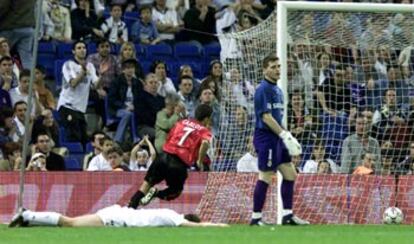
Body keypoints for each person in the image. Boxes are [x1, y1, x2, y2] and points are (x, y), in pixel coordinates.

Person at [250, 54, 308, 226]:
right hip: (266, 137)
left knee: (290, 174)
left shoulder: (278, 91)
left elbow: (277, 116)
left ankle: (287, 216)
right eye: (273, 67)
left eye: (278, 66)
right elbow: (266, 118)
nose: (277, 70)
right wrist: (284, 135)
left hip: (278, 137)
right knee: (266, 176)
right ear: (264, 69)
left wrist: (286, 134)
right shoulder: (262, 89)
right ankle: (256, 218)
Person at [128, 104, 213, 209]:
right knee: (175, 191)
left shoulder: (181, 122)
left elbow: (170, 136)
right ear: (207, 119)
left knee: (146, 184)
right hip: (179, 164)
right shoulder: (204, 130)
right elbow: (205, 143)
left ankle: (130, 208)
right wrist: (199, 161)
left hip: (163, 156)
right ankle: (156, 194)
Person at [9, 205, 228, 228]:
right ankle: (27, 214)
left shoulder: (168, 214)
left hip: (118, 215)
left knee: (70, 225)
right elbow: (195, 227)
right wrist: (220, 226)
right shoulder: (174, 219)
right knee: (71, 223)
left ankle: (29, 222)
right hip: (117, 219)